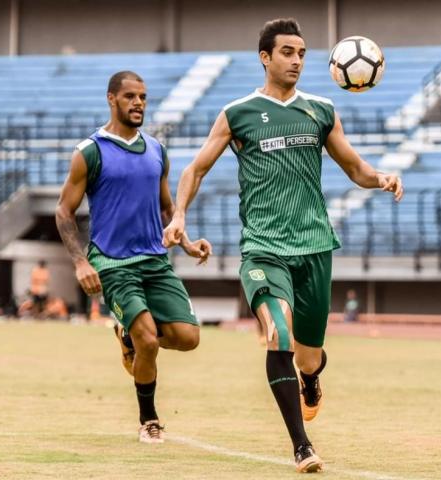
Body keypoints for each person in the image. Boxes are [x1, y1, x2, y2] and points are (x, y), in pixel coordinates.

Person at [163, 18, 403, 472]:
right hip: (263, 248)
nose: (296, 60)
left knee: (308, 357)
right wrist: (178, 216)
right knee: (278, 333)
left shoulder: (321, 109)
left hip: (314, 247)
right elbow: (195, 169)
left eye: (302, 53)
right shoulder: (238, 113)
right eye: (287, 52)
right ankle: (301, 445)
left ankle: (311, 379)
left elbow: (354, 168)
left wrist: (381, 178)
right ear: (265, 57)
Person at [55, 70, 212, 443]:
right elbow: (63, 211)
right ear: (112, 99)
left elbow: (165, 207)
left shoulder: (157, 150)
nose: (138, 103)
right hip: (113, 263)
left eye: (142, 96)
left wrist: (185, 241)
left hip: (155, 261)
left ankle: (127, 336)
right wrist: (80, 261)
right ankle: (149, 420)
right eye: (130, 96)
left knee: (188, 338)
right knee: (149, 340)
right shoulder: (89, 152)